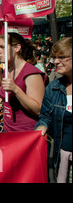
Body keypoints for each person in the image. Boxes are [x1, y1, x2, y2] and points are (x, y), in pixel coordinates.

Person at [0, 33, 45, 133]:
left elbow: (38, 110)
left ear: (17, 48)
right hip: (8, 131)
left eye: (2, 47)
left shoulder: (31, 73)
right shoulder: (7, 70)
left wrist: (16, 89)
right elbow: (5, 97)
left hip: (25, 133)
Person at [35, 37, 72, 183]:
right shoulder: (53, 87)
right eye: (54, 57)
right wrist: (42, 126)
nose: (55, 61)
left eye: (62, 57)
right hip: (65, 161)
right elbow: (45, 116)